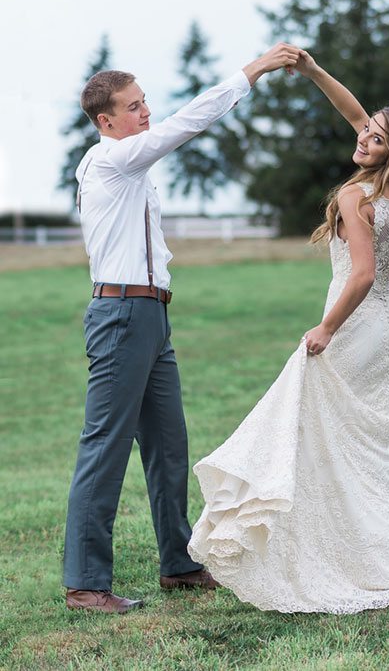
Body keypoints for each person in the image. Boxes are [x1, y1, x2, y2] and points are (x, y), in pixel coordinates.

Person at [188, 50, 389, 614]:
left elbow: (363, 273)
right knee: (366, 450)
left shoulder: (356, 195)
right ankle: (376, 558)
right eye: (367, 129)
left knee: (317, 437)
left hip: (356, 323)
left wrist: (326, 327)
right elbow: (355, 113)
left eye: (374, 138)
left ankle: (337, 561)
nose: (363, 138)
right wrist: (314, 71)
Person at [63, 42, 301, 614]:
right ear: (106, 120)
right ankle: (85, 583)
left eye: (146, 102)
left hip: (150, 315)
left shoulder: (132, 171)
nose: (146, 112)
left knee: (169, 446)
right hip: (120, 317)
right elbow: (185, 125)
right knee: (106, 447)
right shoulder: (110, 160)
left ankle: (179, 563)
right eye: (135, 106)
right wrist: (251, 72)